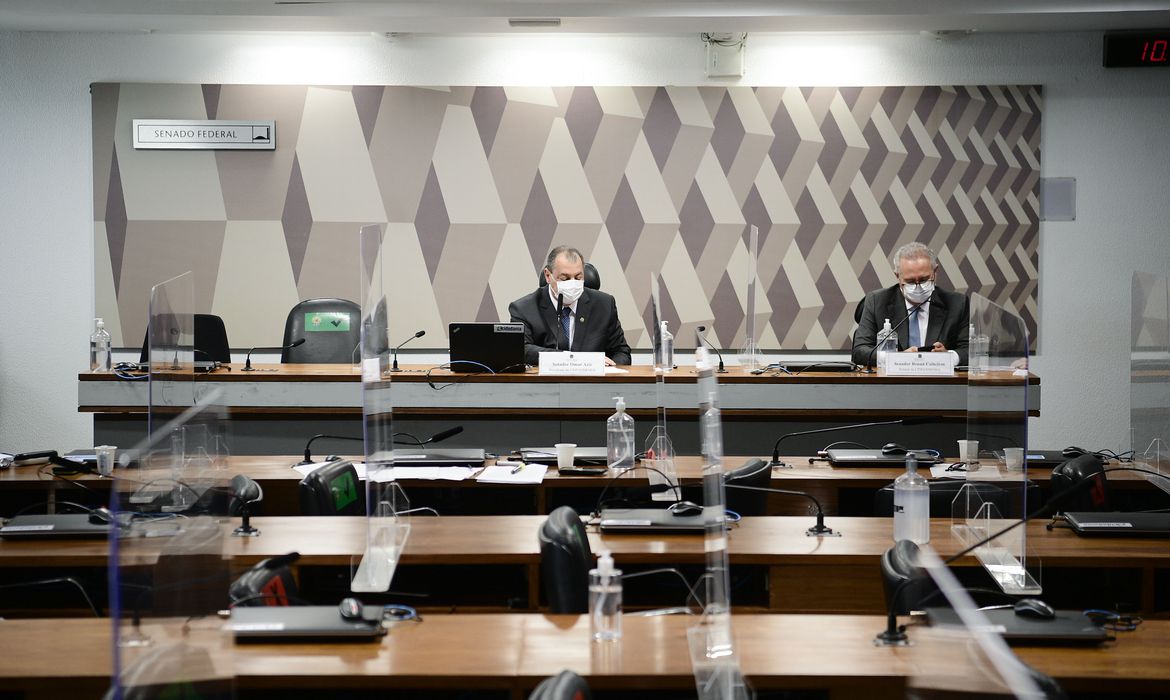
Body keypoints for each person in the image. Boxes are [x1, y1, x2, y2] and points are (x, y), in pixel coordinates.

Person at [509, 246, 631, 366]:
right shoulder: (524, 309)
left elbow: (622, 352)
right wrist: (574, 359)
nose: (573, 283)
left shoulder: (604, 305)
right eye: (565, 278)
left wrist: (609, 369)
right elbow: (521, 350)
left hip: (592, 379)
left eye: (578, 277)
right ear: (548, 276)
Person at [851, 242, 969, 368]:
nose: (918, 287)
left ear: (935, 272)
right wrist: (897, 357)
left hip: (939, 378)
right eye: (910, 281)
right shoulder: (877, 301)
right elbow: (859, 352)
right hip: (892, 379)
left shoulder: (957, 303)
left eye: (924, 280)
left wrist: (948, 356)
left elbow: (969, 350)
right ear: (898, 276)